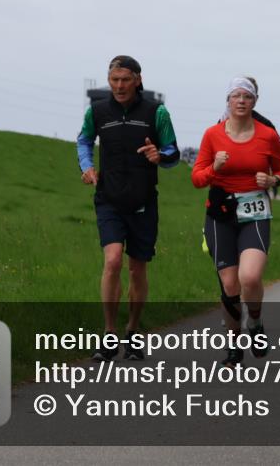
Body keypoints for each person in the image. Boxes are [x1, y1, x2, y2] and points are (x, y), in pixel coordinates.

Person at [77, 56, 180, 362]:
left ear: (137, 79)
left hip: (143, 201)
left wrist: (159, 155)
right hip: (108, 198)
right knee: (112, 261)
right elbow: (84, 140)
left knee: (137, 269)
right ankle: (109, 334)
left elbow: (173, 151)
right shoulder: (97, 111)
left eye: (125, 79)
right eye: (114, 80)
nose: (119, 86)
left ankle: (133, 332)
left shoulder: (156, 112)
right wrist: (87, 166)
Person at [192, 77, 280, 367]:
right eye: (236, 96)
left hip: (255, 214)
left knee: (250, 277)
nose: (241, 101)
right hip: (220, 213)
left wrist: (273, 179)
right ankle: (234, 347)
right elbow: (197, 178)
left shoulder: (267, 135)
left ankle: (256, 322)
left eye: (247, 96)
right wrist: (214, 168)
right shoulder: (212, 135)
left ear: (255, 102)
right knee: (230, 284)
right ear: (228, 101)